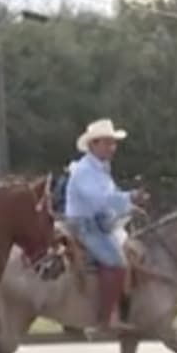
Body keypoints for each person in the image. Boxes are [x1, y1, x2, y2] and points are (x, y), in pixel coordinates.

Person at [64, 118, 146, 331]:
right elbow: (100, 199)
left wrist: (129, 206)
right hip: (85, 225)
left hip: (100, 223)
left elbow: (110, 197)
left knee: (132, 251)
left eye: (114, 143)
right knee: (117, 262)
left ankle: (124, 309)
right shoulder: (84, 170)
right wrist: (129, 198)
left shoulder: (100, 168)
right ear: (93, 145)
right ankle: (107, 318)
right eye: (108, 143)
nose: (113, 147)